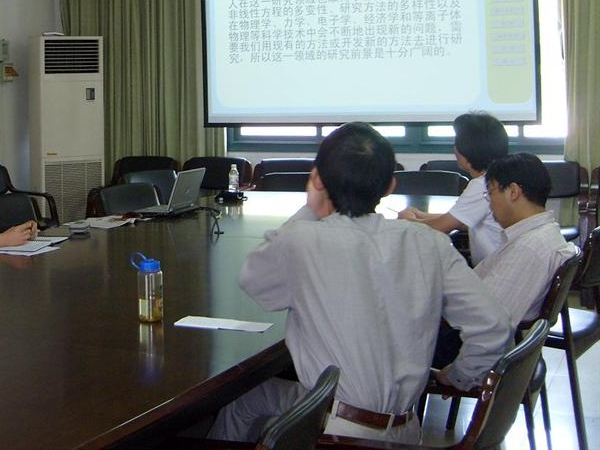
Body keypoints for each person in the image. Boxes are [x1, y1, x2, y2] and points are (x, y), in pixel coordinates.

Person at [208, 123, 511, 444]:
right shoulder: (431, 243)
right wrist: (460, 376)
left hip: (334, 428)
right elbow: (494, 327)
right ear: (390, 186)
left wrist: (310, 208)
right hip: (406, 430)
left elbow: (255, 284)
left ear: (318, 180)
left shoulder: (301, 240)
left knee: (240, 402)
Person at [433, 153, 578, 369]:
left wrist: (458, 375)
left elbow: (487, 327)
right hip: (466, 329)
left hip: (457, 343)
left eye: (490, 193)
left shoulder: (528, 248)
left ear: (513, 192)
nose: (489, 203)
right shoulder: (542, 234)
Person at [399, 111, 508, 264]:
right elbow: (461, 221)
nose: (454, 148)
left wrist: (408, 220)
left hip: (491, 270)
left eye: (456, 143)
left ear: (468, 151)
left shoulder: (481, 185)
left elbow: (441, 227)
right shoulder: (498, 178)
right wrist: (421, 215)